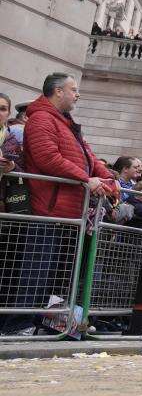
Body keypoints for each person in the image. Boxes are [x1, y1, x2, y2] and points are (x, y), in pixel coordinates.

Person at [9, 74, 115, 335]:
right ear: (58, 91)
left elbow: (89, 157)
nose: (77, 94)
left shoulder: (67, 124)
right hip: (49, 210)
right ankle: (18, 324)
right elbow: (48, 158)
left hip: (69, 212)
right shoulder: (43, 119)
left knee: (58, 274)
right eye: (73, 89)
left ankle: (46, 323)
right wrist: (86, 179)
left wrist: (107, 179)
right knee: (36, 272)